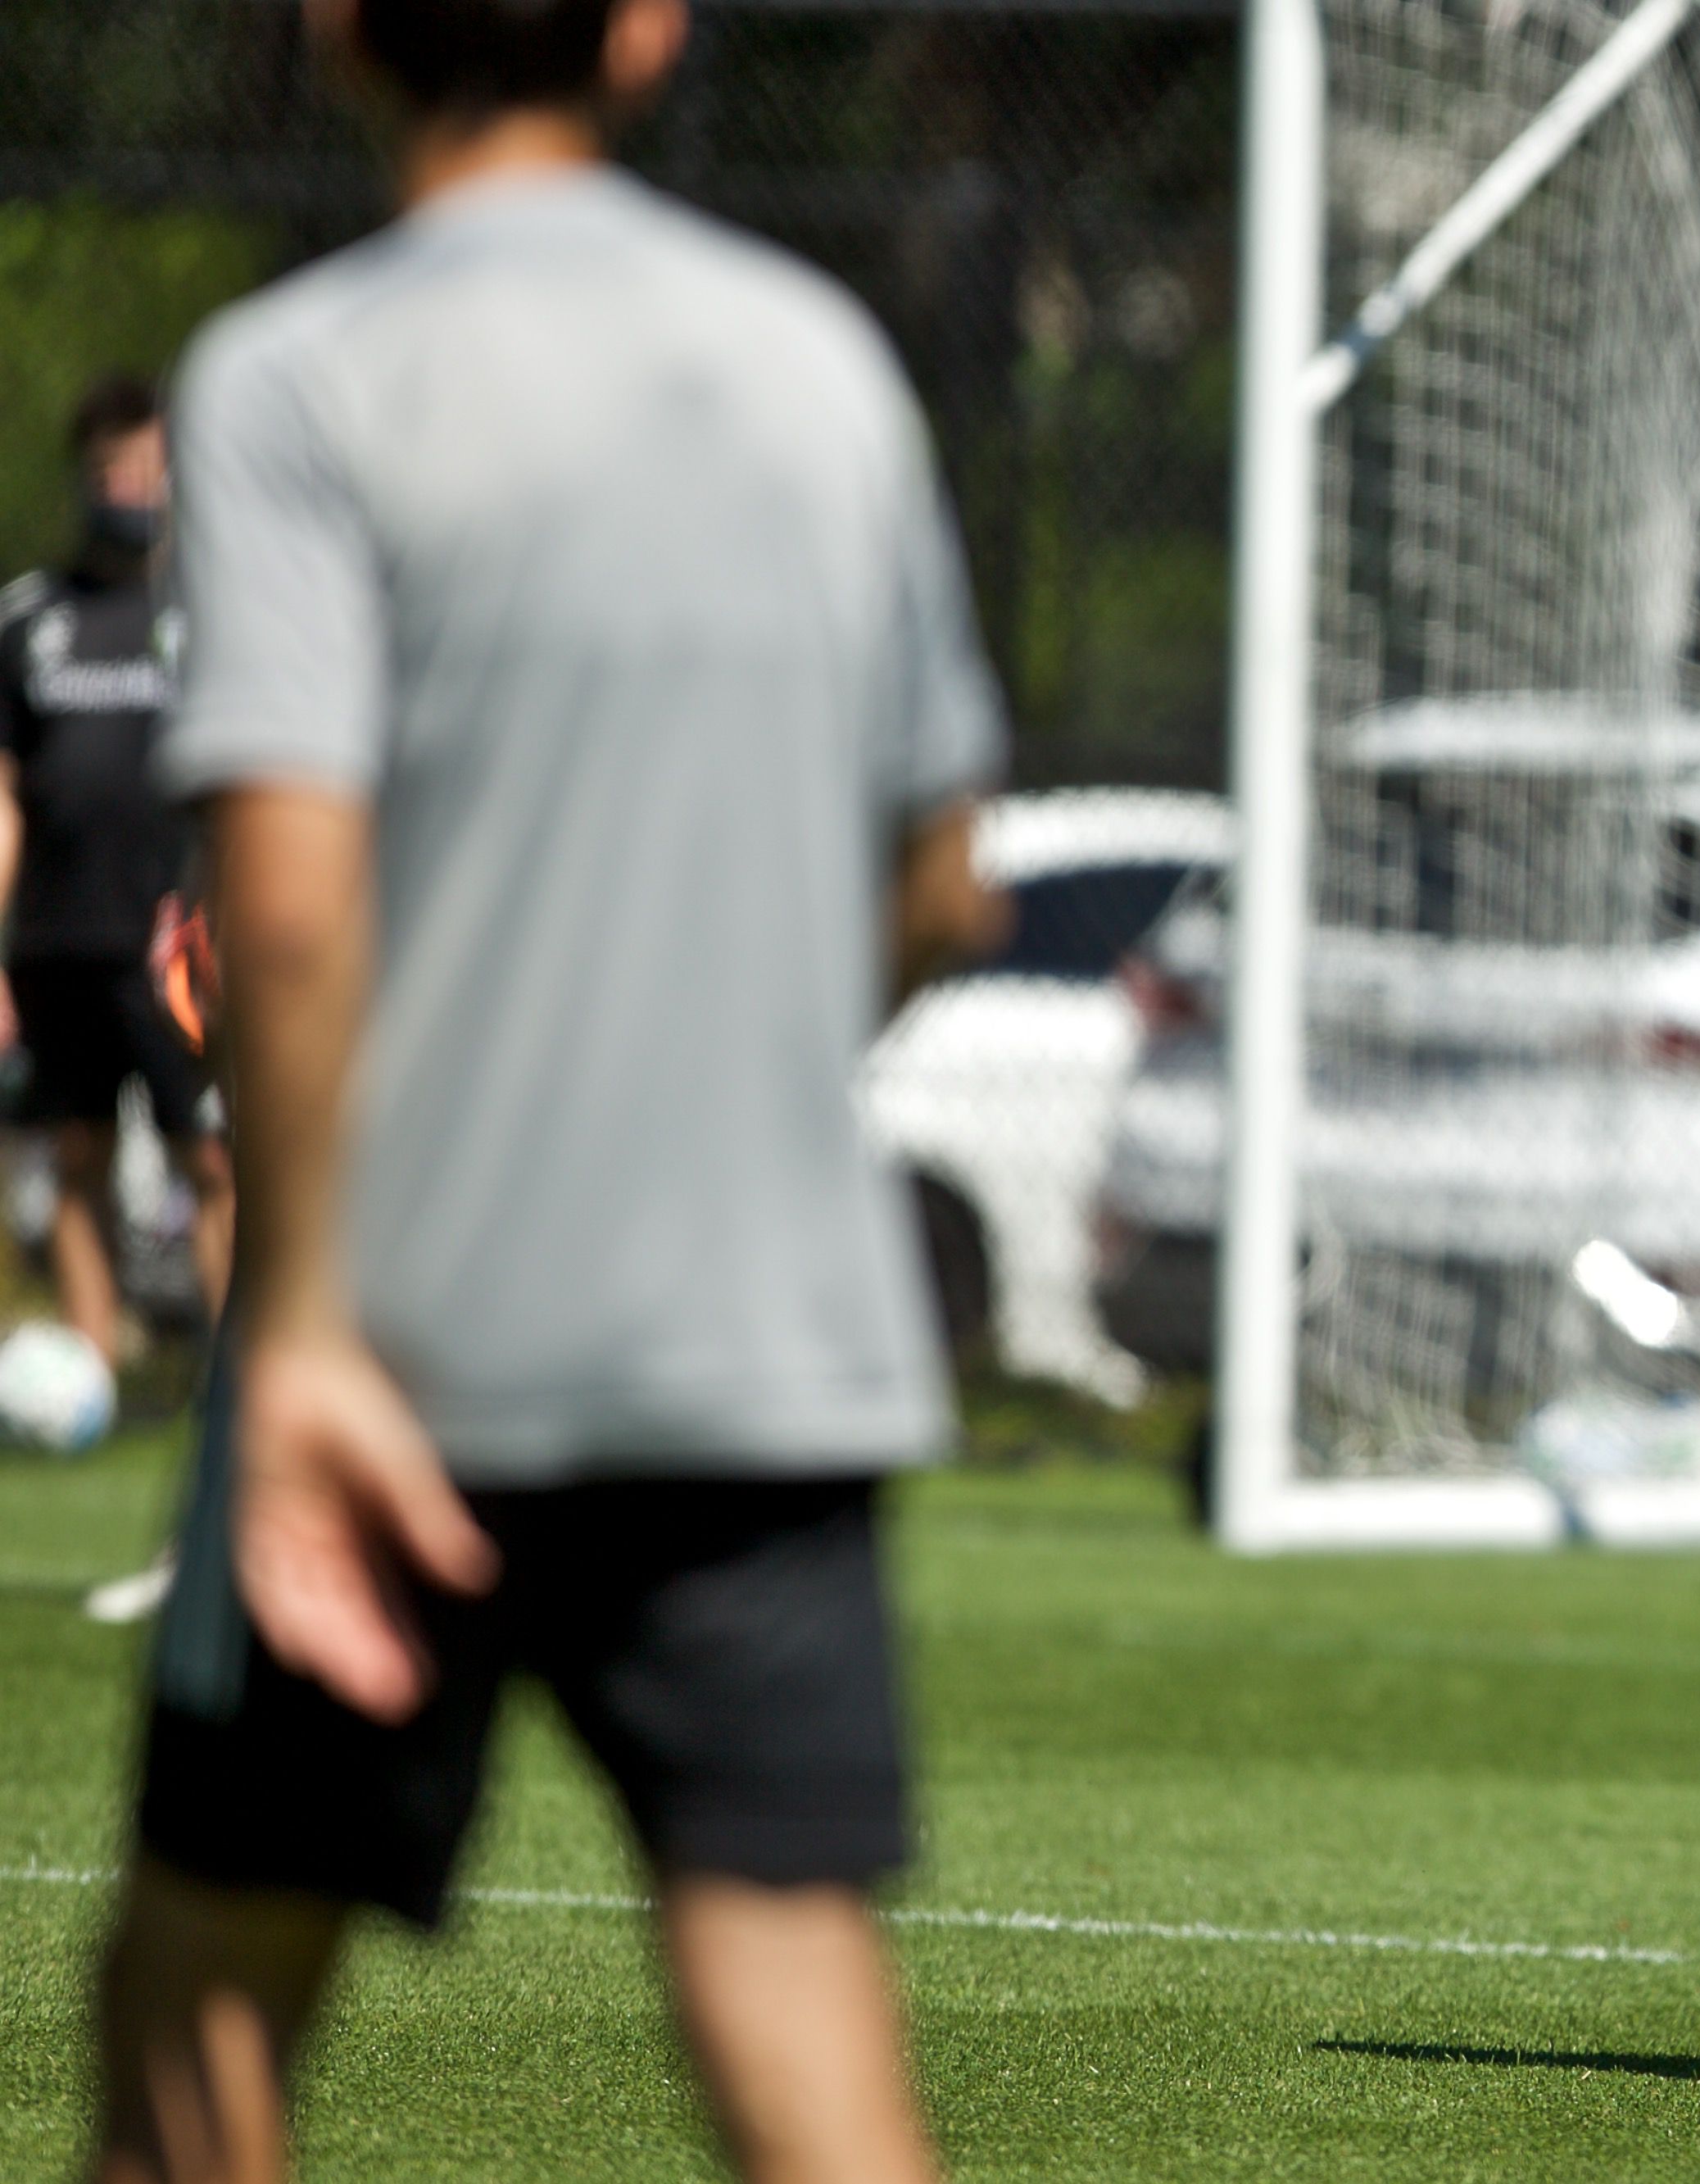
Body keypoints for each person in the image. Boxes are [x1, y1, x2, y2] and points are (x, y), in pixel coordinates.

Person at [91, 2, 1008, 2179]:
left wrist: (296, 1317)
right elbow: (944, 880)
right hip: (763, 1340)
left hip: (403, 1346)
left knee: (197, 1989)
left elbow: (288, 918)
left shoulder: (297, 374)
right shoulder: (821, 364)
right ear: (650, 29)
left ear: (329, 32)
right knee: (790, 1985)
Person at [0, 376, 233, 1363]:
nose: (128, 486)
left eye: (145, 466)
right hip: (60, 937)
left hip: (172, 939)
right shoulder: (29, 620)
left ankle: (237, 1376)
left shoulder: (212, 607)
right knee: (77, 1153)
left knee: (207, 1158)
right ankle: (89, 1374)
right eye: (110, 469)